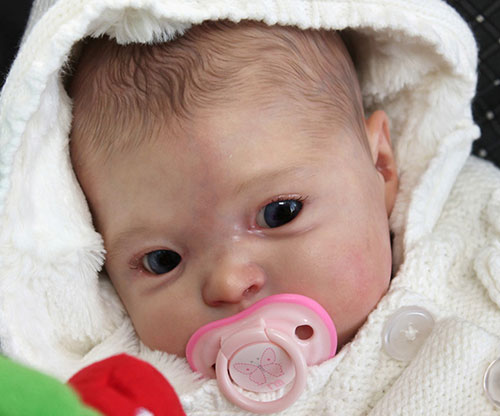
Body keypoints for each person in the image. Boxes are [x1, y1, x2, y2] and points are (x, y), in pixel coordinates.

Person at [1, 0, 499, 414]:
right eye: (162, 260)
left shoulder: (480, 220)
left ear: (382, 166)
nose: (228, 282)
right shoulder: (132, 388)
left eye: (280, 213)